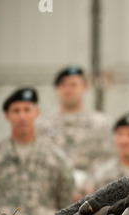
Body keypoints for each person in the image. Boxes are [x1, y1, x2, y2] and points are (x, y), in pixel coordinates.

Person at [0, 87, 76, 215]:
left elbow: (65, 206)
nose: (22, 116)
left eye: (27, 110)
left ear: (37, 113)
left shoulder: (56, 159)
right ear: (7, 115)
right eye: (16, 111)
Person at [37, 66, 114, 196]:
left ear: (85, 87)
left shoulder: (102, 124)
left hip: (92, 196)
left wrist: (89, 184)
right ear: (57, 89)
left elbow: (108, 160)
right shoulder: (41, 125)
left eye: (73, 84)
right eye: (63, 85)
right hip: (51, 196)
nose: (68, 89)